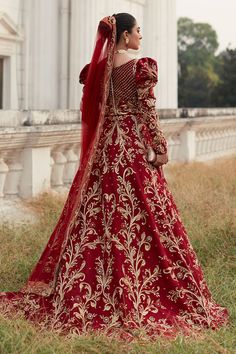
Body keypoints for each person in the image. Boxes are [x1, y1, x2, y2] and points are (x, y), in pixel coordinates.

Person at [0, 13, 229, 342]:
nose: (140, 37)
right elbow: (147, 113)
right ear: (123, 36)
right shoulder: (139, 68)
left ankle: (89, 284)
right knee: (142, 215)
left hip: (103, 152)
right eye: (137, 31)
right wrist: (161, 148)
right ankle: (141, 287)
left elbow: (94, 110)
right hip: (131, 149)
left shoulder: (96, 70)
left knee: (98, 215)